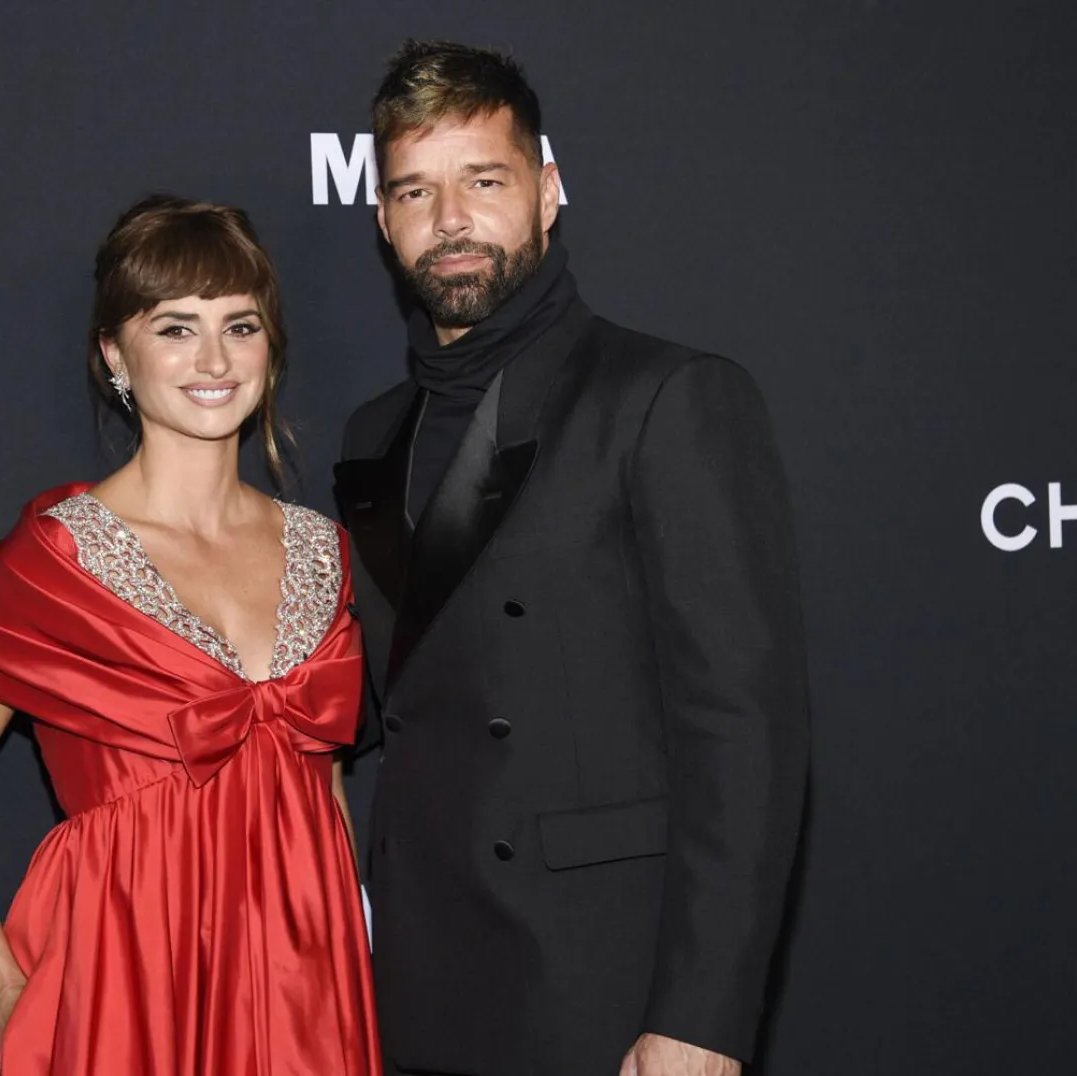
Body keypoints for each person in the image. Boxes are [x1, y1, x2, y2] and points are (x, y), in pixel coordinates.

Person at [335, 41, 810, 1076]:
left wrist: (704, 1016)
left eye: (484, 181)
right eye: (415, 191)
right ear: (383, 220)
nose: (449, 219)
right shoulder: (372, 435)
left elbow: (743, 732)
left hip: (604, 986)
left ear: (548, 192)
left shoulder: (664, 397)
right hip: (416, 987)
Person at [0, 195, 381, 1076]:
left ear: (270, 350)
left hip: (306, 975)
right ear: (115, 355)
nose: (214, 360)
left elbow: (325, 781)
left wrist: (351, 931)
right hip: (130, 966)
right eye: (175, 328)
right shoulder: (55, 561)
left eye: (240, 327)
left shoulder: (323, 548)